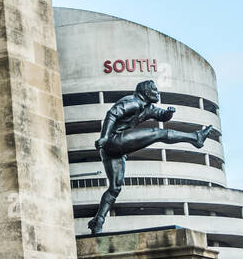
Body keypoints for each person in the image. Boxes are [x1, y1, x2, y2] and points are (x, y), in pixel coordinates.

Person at [87, 79, 215, 234]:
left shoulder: (148, 107)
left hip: (114, 150)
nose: (157, 93)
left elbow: (160, 115)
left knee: (115, 188)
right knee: (158, 133)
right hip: (114, 140)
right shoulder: (133, 103)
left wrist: (168, 114)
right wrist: (105, 137)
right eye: (154, 90)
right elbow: (112, 114)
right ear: (146, 92)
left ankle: (98, 220)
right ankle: (196, 137)